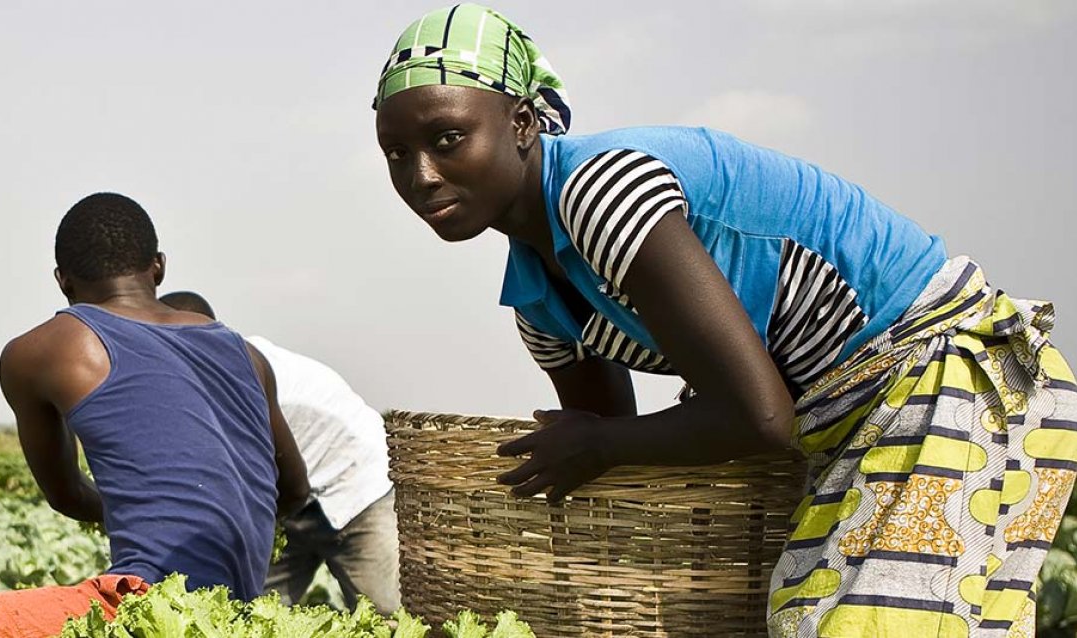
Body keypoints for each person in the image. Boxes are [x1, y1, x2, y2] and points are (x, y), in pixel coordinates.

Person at [370, 4, 1077, 636]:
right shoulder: (541, 308)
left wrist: (601, 443)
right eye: (397, 154)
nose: (420, 175)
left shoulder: (600, 191)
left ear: (521, 124)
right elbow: (606, 457)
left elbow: (755, 419)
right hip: (841, 428)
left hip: (941, 379)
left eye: (447, 138)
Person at [0, 193, 309, 637]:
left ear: (62, 280)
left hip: (143, 605)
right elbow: (293, 490)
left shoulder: (45, 350)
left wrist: (129, 509)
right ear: (159, 267)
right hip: (231, 615)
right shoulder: (246, 354)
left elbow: (66, 493)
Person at [159, 291, 401, 614]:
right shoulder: (195, 380)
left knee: (392, 618)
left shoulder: (244, 372)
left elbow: (250, 485)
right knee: (252, 617)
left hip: (355, 486)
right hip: (288, 500)